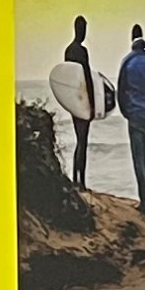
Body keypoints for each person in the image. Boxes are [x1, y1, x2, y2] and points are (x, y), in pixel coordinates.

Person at [117, 26, 145, 208]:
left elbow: (121, 90)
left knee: (138, 157)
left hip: (134, 113)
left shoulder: (127, 61)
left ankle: (143, 198)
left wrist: (125, 111)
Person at [61, 16, 96, 187]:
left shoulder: (68, 50)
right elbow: (87, 77)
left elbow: (66, 77)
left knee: (79, 139)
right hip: (82, 100)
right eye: (83, 29)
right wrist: (93, 102)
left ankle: (77, 178)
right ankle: (80, 180)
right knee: (83, 140)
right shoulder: (81, 51)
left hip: (73, 99)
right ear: (79, 29)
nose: (83, 33)